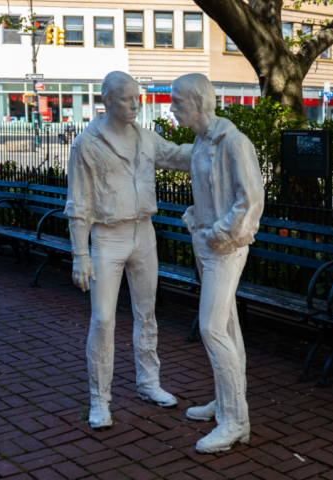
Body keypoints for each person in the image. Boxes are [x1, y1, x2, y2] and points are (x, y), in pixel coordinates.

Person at [65, 71, 193, 430]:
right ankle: (99, 399)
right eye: (127, 98)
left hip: (143, 234)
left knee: (147, 313)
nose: (136, 104)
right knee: (103, 319)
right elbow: (78, 203)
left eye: (138, 97)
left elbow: (180, 155)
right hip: (107, 238)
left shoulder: (147, 139)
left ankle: (148, 382)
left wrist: (218, 141)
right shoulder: (87, 144)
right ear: (108, 100)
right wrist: (80, 254)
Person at [170, 73, 264, 453]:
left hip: (225, 248)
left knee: (210, 329)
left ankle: (235, 421)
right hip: (207, 244)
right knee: (226, 326)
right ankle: (226, 403)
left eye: (177, 102)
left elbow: (251, 199)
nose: (172, 109)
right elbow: (199, 179)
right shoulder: (199, 143)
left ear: (198, 102)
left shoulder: (234, 143)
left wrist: (219, 233)